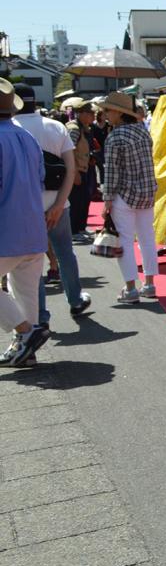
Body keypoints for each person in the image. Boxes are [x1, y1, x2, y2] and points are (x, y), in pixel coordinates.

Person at [12, 86, 92, 326]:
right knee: (65, 253)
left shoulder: (10, 129)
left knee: (30, 262)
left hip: (25, 209)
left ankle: (40, 315)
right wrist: (59, 203)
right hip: (59, 203)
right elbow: (70, 169)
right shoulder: (55, 126)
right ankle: (76, 299)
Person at [0, 78, 51, 367]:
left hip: (6, 229)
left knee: (22, 291)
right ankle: (26, 350)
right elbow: (41, 178)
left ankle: (25, 332)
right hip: (33, 225)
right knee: (26, 292)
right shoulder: (26, 137)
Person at [99, 92, 159, 304]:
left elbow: (112, 172)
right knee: (147, 238)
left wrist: (106, 200)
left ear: (119, 112)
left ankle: (131, 288)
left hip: (124, 195)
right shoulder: (143, 132)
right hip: (147, 191)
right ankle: (150, 284)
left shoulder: (115, 137)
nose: (104, 114)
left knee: (124, 241)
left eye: (107, 110)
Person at [64, 98, 97, 237]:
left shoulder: (84, 128)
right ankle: (74, 231)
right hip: (76, 171)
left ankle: (81, 228)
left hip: (85, 168)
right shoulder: (74, 129)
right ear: (82, 113)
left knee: (85, 200)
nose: (94, 116)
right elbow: (68, 151)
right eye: (91, 113)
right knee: (76, 202)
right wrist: (74, 172)